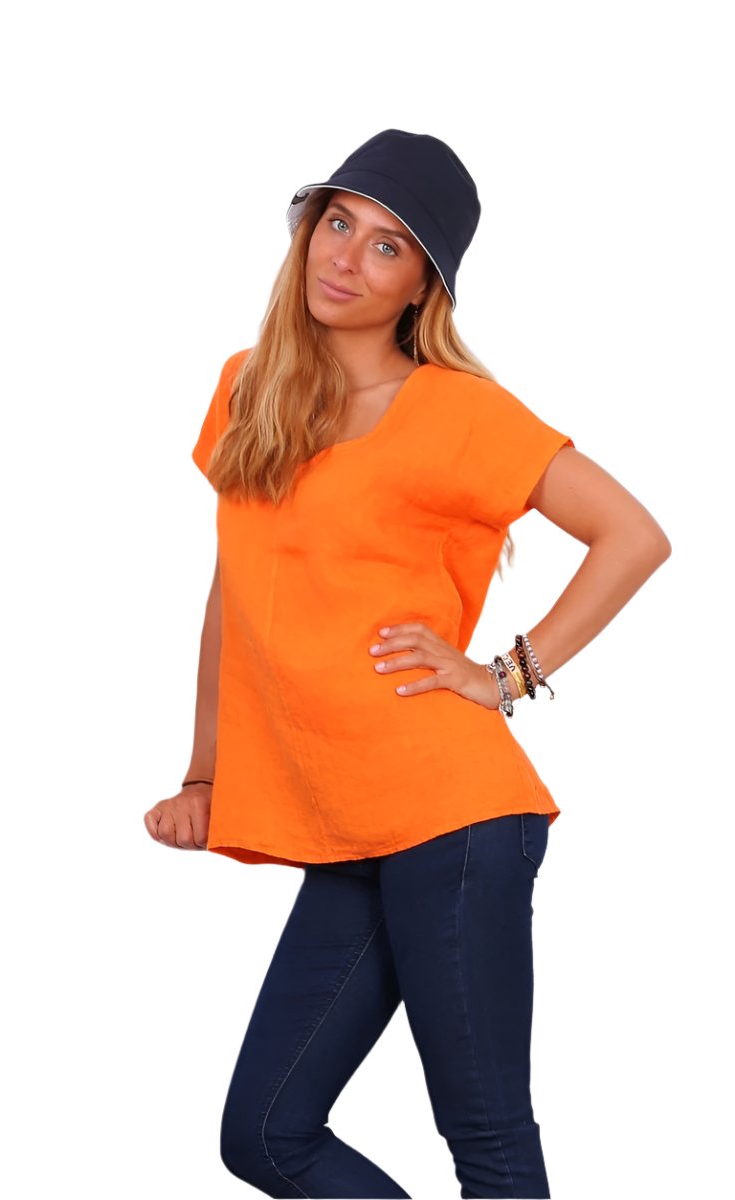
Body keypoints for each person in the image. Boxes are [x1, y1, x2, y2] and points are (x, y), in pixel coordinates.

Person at [143, 129, 671, 1198]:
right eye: (336, 222)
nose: (345, 256)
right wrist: (204, 773)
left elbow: (633, 536)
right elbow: (233, 596)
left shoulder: (455, 412)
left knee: (486, 1140)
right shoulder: (248, 390)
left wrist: (503, 675)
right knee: (267, 1134)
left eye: (387, 246)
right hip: (344, 822)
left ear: (422, 286)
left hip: (453, 820)